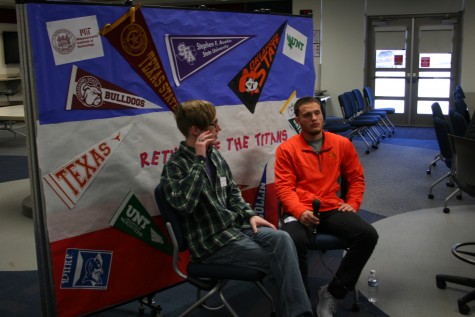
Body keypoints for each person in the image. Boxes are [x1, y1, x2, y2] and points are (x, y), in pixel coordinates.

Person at [160, 99, 313, 317]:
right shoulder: (175, 165)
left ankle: (293, 312)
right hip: (212, 244)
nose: (219, 128)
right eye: (214, 124)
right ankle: (297, 313)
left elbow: (232, 193)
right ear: (196, 130)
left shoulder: (215, 155)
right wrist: (199, 160)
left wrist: (250, 215)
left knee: (283, 240)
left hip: (236, 229)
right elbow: (185, 204)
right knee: (281, 258)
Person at [274, 96, 379, 317]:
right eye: (307, 115)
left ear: (323, 115)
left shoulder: (342, 144)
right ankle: (300, 302)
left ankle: (332, 292)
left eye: (317, 113)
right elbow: (284, 189)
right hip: (300, 208)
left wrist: (353, 203)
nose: (314, 118)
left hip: (331, 207)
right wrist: (300, 212)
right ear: (298, 120)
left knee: (368, 235)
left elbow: (356, 179)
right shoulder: (287, 149)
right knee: (293, 241)